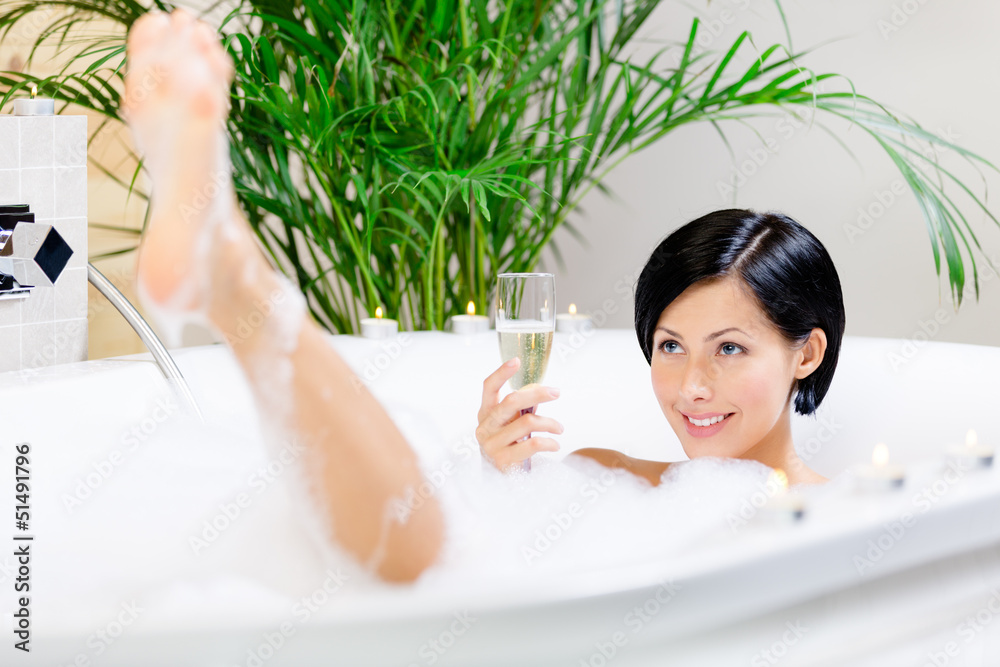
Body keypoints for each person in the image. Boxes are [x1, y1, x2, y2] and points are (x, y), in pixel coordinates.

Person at [123, 8, 443, 583]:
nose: (667, 379)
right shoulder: (633, 476)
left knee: (424, 548)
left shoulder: (652, 491)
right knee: (427, 537)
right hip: (421, 523)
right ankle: (229, 264)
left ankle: (235, 273)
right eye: (664, 347)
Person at [476, 209, 846, 487]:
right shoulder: (602, 481)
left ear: (807, 354)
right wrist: (504, 479)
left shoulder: (843, 523)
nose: (691, 388)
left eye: (729, 348)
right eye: (671, 345)